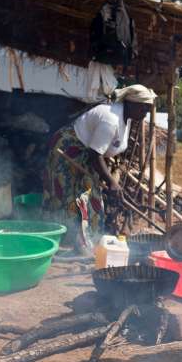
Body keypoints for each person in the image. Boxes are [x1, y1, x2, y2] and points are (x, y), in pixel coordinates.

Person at [42, 85, 154, 251]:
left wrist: (110, 180)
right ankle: (63, 242)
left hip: (87, 154)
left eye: (148, 108)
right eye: (144, 107)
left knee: (91, 195)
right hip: (68, 149)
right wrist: (111, 182)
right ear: (131, 103)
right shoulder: (111, 120)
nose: (146, 112)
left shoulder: (126, 117)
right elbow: (96, 154)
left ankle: (89, 240)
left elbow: (101, 151)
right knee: (65, 194)